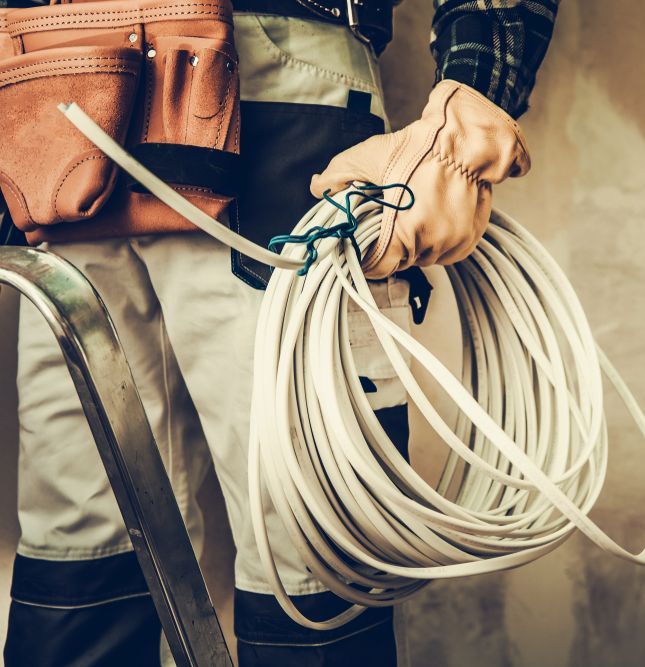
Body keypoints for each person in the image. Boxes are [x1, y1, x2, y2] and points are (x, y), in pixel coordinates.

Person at [0, 0, 558, 664]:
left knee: (306, 545)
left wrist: (470, 107)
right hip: (48, 89)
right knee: (79, 538)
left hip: (271, 84)